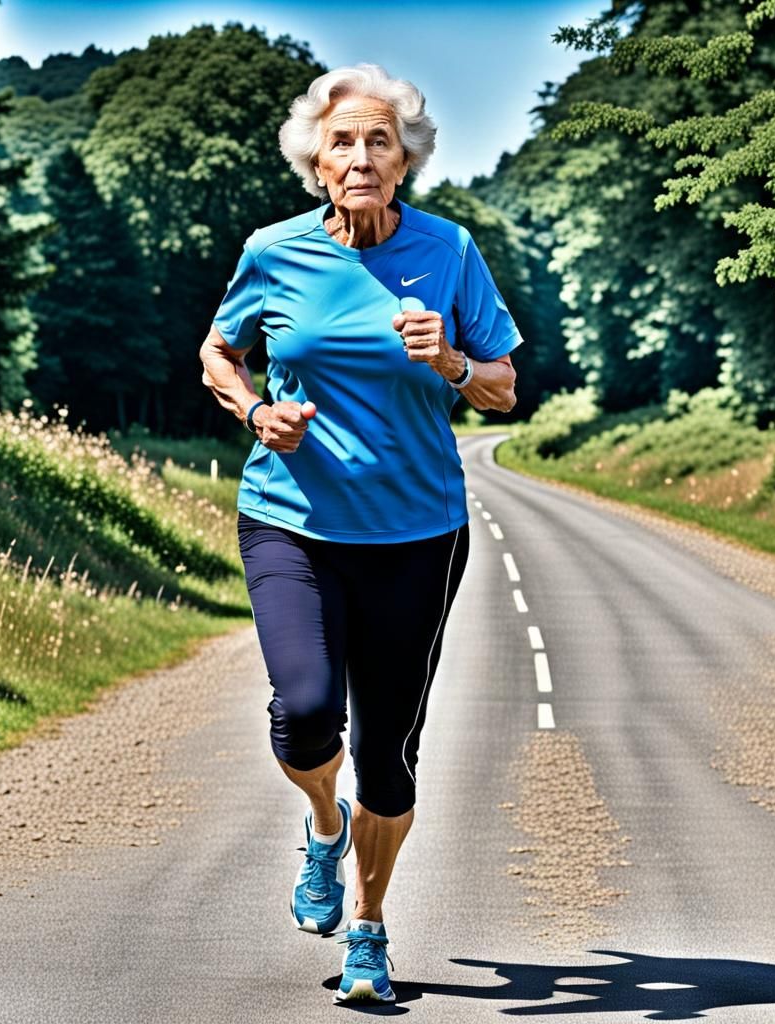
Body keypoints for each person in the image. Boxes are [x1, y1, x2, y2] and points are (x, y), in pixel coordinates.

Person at [199, 63, 521, 1004]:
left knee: (388, 747)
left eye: (380, 140)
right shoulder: (275, 251)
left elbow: (503, 384)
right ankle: (323, 828)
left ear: (406, 158)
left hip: (418, 533)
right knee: (304, 712)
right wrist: (257, 413)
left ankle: (371, 931)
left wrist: (454, 360)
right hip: (291, 520)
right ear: (316, 158)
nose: (362, 156)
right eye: (343, 141)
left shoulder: (449, 251)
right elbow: (220, 349)